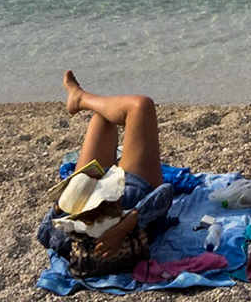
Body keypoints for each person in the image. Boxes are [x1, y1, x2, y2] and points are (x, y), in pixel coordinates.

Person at [49, 70, 172, 267]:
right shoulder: (129, 225)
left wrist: (60, 204)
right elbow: (164, 193)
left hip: (84, 197)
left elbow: (44, 233)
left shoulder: (68, 237)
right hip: (135, 184)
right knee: (140, 106)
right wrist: (127, 225)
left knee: (103, 116)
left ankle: (79, 97)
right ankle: (81, 98)